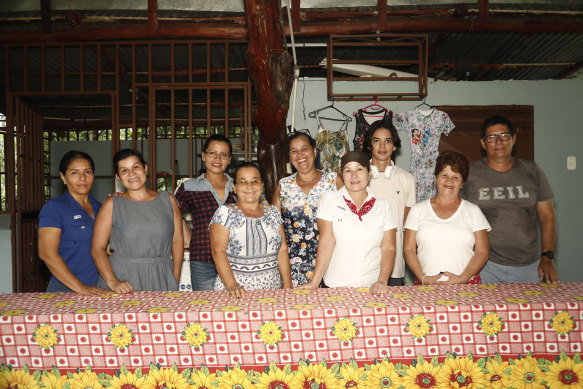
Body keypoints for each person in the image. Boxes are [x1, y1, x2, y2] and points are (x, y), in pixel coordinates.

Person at [461, 116, 559, 284]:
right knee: (486, 311)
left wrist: (547, 257)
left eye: (505, 135)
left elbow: (547, 217)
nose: (499, 141)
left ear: (514, 139)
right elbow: (458, 218)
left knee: (532, 310)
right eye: (491, 137)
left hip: (530, 267)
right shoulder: (470, 174)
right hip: (485, 266)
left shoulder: (532, 171)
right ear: (483, 144)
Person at [298, 151, 397, 293]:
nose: (354, 175)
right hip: (335, 285)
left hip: (372, 287)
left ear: (369, 173)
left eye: (359, 169)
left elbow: (388, 248)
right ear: (342, 175)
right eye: (348, 170)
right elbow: (327, 241)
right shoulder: (330, 199)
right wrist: (315, 282)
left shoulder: (383, 206)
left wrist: (382, 280)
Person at [91, 148, 183, 293]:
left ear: (145, 168)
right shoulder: (112, 204)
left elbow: (177, 240)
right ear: (118, 177)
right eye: (124, 170)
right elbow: (97, 248)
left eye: (136, 167)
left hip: (161, 276)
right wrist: (113, 281)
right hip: (123, 278)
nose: (132, 174)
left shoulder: (168, 200)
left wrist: (175, 277)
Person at [404, 151, 491, 285]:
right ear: (435, 178)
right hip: (426, 286)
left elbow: (482, 251)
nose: (449, 181)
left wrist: (463, 278)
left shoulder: (473, 211)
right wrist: (423, 278)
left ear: (462, 183)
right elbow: (409, 249)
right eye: (444, 175)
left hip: (467, 287)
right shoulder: (417, 210)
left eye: (456, 177)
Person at [210, 162, 292, 298]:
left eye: (255, 181)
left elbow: (282, 248)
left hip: (272, 291)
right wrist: (232, 285)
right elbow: (218, 251)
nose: (250, 186)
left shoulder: (273, 212)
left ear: (262, 185)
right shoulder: (224, 213)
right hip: (236, 293)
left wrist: (287, 283)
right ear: (234, 187)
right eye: (243, 182)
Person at [272, 130, 343, 287]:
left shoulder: (334, 181)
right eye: (294, 151)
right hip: (293, 267)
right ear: (289, 157)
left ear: (314, 152)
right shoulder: (283, 186)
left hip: (332, 263)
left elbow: (348, 222)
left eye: (304, 148)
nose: (300, 155)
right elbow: (275, 231)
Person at [38, 150, 109, 295]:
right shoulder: (54, 208)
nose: (82, 178)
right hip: (65, 288)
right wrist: (80, 287)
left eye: (87, 171)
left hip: (99, 287)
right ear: (63, 177)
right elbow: (47, 253)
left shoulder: (100, 207)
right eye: (74, 172)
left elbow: (108, 248)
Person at [174, 134, 237, 290]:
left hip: (236, 259)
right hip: (203, 259)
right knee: (206, 308)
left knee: (236, 306)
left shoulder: (238, 186)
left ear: (229, 159)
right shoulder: (189, 187)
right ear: (203, 156)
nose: (217, 158)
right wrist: (188, 233)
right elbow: (171, 214)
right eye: (212, 153)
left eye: (223, 154)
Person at [363, 120, 416, 286]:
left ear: (394, 146)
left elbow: (408, 225)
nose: (382, 146)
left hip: (394, 264)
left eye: (388, 141)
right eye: (376, 140)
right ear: (369, 145)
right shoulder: (357, 178)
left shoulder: (407, 180)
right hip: (363, 262)